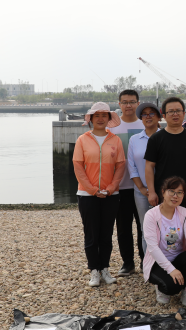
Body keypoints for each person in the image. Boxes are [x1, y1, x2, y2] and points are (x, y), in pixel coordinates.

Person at [72, 102, 125, 287]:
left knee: (106, 234)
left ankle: (105, 268)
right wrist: (92, 190)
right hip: (87, 195)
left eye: (104, 115)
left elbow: (120, 166)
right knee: (91, 234)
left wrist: (111, 187)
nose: (101, 119)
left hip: (111, 195)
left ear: (109, 119)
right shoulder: (82, 140)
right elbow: (78, 166)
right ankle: (94, 270)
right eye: (97, 116)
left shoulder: (115, 140)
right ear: (91, 119)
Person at [143, 176, 186, 306]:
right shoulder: (151, 215)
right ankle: (161, 288)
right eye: (172, 191)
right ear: (163, 192)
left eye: (179, 192)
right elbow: (152, 248)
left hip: (179, 259)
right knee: (172, 288)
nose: (175, 196)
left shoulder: (185, 213)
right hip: (158, 263)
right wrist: (171, 270)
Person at [145, 97, 186, 221]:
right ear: (164, 116)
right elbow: (149, 166)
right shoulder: (156, 139)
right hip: (164, 192)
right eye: (171, 111)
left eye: (178, 111)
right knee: (165, 227)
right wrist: (152, 192)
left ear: (184, 113)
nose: (175, 114)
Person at [108, 89, 146, 277]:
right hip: (120, 185)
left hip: (143, 187)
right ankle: (128, 263)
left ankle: (145, 261)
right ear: (119, 104)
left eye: (132, 102)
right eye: (125, 102)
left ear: (138, 103)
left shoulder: (145, 124)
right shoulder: (112, 127)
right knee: (123, 227)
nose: (128, 105)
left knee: (144, 226)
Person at [127, 102, 162, 257]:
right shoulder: (134, 139)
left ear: (159, 116)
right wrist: (141, 188)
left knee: (165, 227)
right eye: (144, 114)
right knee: (146, 228)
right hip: (141, 192)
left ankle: (166, 263)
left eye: (151, 113)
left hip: (164, 191)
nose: (148, 117)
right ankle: (148, 263)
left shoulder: (165, 136)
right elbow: (132, 166)